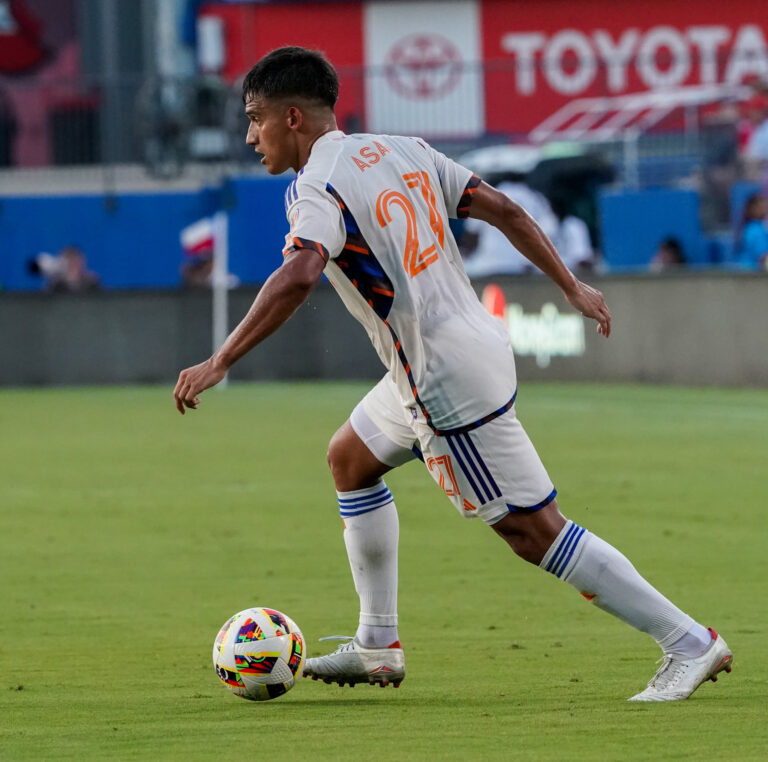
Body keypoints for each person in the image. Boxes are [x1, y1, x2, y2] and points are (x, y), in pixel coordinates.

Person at [173, 47, 733, 702]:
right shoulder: (403, 149)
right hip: (469, 344)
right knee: (350, 459)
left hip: (438, 379)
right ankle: (377, 643)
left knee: (532, 531)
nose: (250, 136)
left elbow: (298, 273)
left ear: (291, 117)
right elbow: (507, 211)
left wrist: (220, 360)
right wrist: (571, 286)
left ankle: (689, 642)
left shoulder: (315, 188)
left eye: (255, 118)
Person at [459, 172, 557, 277]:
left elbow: (472, 232)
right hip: (522, 266)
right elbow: (550, 231)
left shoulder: (488, 196)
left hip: (490, 265)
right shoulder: (535, 198)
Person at [735, 192, 768, 271]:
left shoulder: (759, 227)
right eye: (761, 207)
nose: (764, 209)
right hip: (750, 274)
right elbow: (763, 257)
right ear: (751, 209)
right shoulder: (753, 229)